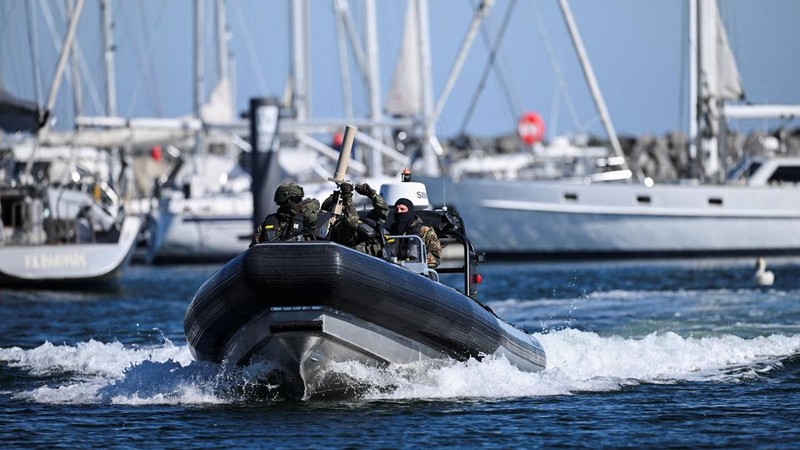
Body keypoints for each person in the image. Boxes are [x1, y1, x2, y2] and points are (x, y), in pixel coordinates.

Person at [250, 182, 320, 246]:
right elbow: (254, 249)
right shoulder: (269, 221)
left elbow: (323, 244)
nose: (300, 204)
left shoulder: (306, 220)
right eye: (297, 200)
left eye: (301, 200)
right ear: (287, 201)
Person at [389, 197, 442, 268]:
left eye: (402, 209)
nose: (399, 212)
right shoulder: (391, 231)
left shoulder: (424, 230)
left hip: (417, 271)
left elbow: (436, 257)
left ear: (410, 211)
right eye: (396, 209)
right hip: (393, 270)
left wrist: (419, 262)